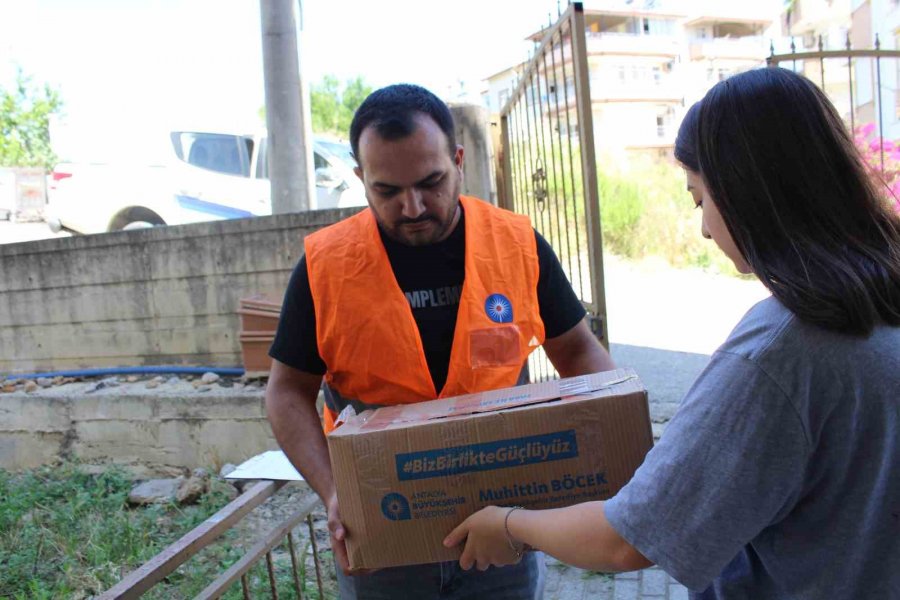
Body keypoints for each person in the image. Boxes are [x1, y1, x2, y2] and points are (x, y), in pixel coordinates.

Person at [444, 67, 900, 599]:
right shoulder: (882, 302)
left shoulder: (780, 353)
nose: (705, 227)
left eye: (699, 198)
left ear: (746, 190)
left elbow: (626, 540)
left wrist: (509, 524)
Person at [265, 83, 615, 600]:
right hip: (384, 529)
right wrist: (336, 492)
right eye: (387, 191)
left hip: (502, 527)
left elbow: (580, 352)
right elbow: (286, 392)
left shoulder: (516, 244)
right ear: (361, 179)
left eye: (431, 182)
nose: (412, 207)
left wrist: (609, 447)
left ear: (458, 160)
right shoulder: (326, 267)